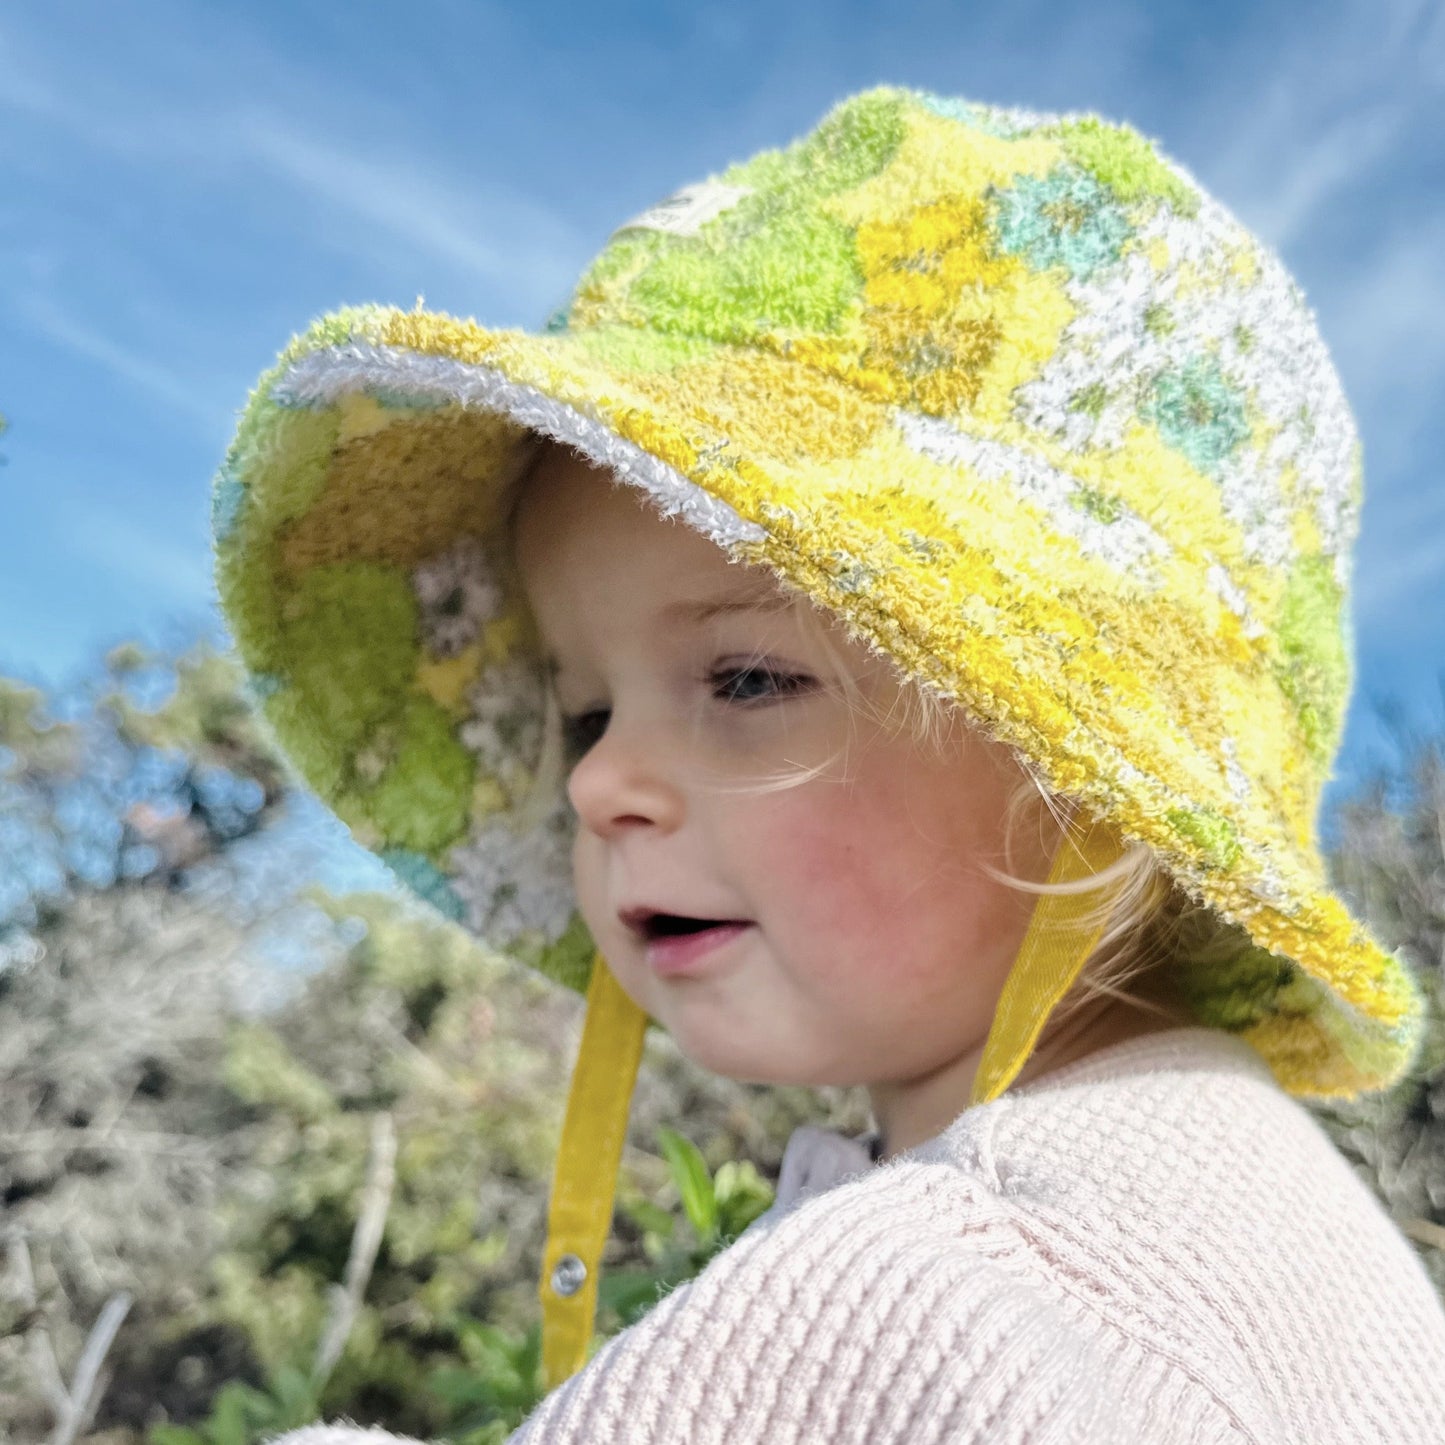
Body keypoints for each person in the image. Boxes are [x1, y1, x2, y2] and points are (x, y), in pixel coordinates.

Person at [213, 87, 1445, 1442]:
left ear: (1085, 764)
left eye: (746, 677)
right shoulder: (1277, 1239)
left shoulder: (926, 1305)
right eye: (583, 713)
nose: (592, 783)